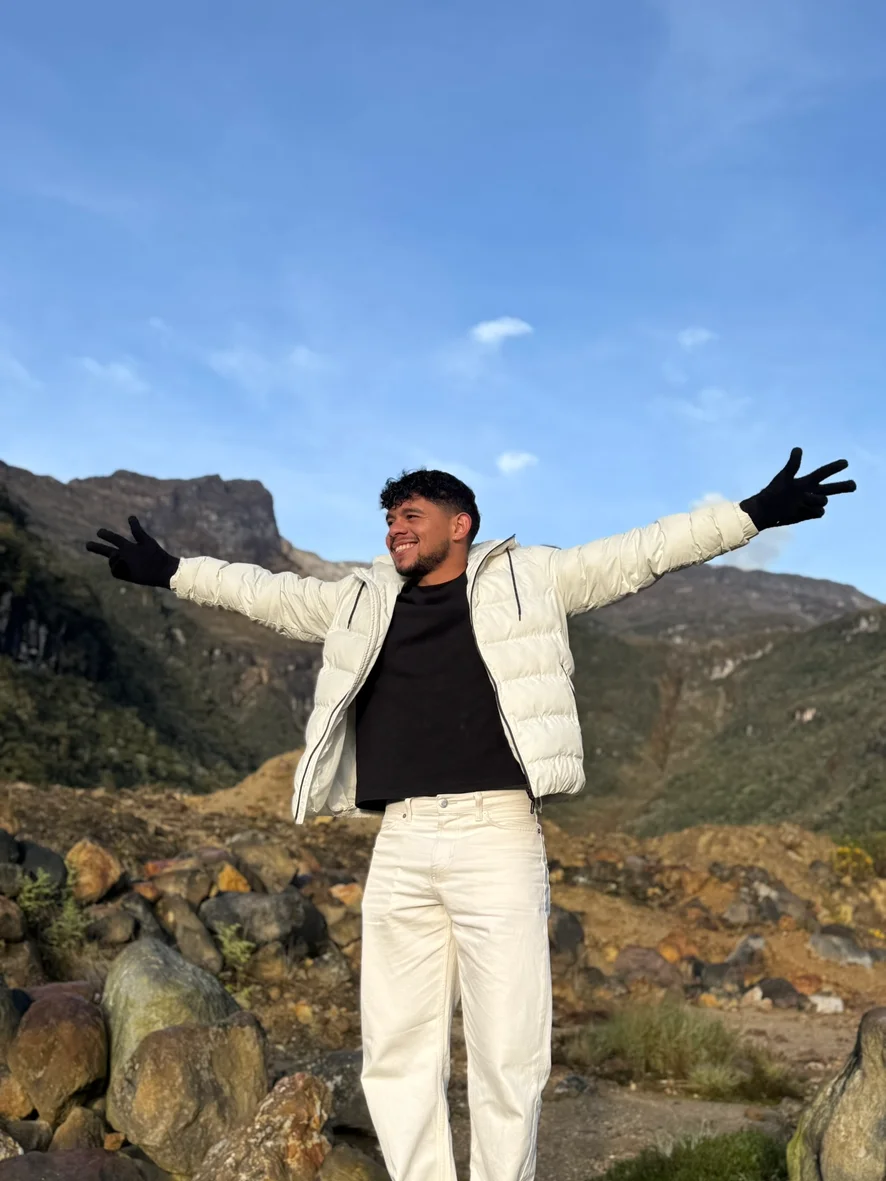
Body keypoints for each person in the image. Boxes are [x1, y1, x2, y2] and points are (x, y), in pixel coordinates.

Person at [87, 447, 855, 1181]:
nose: (394, 529)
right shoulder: (358, 599)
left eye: (410, 515)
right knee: (394, 1049)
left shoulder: (533, 577)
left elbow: (644, 551)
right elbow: (265, 592)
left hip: (497, 834)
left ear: (461, 523)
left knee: (508, 1052)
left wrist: (753, 514)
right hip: (402, 839)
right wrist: (172, 570)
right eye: (389, 519)